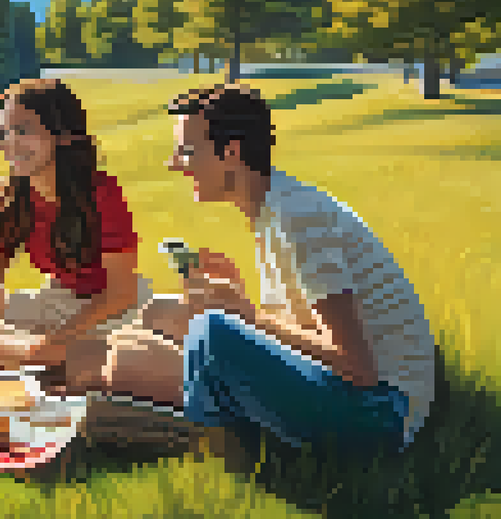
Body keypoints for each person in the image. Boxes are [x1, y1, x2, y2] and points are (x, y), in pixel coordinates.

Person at [104, 83, 435, 457]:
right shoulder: (274, 208)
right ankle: (213, 408)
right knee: (159, 314)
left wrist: (245, 314)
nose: (174, 163)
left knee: (199, 334)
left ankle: (220, 439)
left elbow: (358, 367)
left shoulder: (296, 217)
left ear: (231, 152)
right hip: (358, 395)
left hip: (380, 413)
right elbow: (306, 327)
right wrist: (239, 293)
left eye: (187, 151)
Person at [0, 79, 151, 392]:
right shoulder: (7, 198)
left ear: (60, 133)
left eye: (23, 130)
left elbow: (122, 293)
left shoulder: (99, 194)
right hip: (58, 300)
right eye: (4, 132)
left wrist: (55, 340)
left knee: (45, 355)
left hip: (114, 309)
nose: (10, 144)